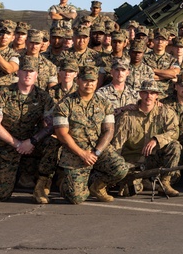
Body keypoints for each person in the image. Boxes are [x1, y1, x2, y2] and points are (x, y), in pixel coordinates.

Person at [52, 65, 130, 203]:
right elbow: (62, 134)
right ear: (78, 81)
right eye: (85, 80)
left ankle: (97, 186)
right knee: (76, 198)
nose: (89, 84)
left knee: (121, 169)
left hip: (98, 149)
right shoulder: (65, 105)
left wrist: (96, 153)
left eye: (92, 81)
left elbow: (109, 130)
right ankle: (65, 182)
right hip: (74, 151)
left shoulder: (104, 104)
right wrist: (82, 153)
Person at [0, 57, 58, 203]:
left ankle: (41, 185)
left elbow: (51, 125)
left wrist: (32, 141)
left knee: (52, 143)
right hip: (6, 145)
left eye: (31, 71)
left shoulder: (43, 97)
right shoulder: (3, 94)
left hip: (31, 144)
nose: (28, 75)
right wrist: (18, 144)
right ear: (18, 73)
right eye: (24, 71)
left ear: (36, 75)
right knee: (1, 195)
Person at [111, 80, 182, 196]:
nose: (148, 96)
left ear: (157, 95)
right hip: (134, 161)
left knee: (175, 146)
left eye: (152, 93)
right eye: (145, 93)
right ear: (140, 94)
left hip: (153, 159)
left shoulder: (166, 112)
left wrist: (156, 139)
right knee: (129, 191)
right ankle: (144, 181)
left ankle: (165, 183)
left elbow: (174, 132)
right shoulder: (127, 116)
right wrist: (119, 167)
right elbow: (117, 144)